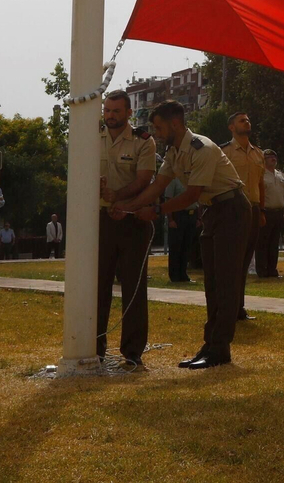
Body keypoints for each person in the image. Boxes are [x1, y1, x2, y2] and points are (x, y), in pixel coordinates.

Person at [114, 99, 247, 369]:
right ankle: (211, 346)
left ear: (175, 123)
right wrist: (126, 207)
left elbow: (191, 195)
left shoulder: (202, 148)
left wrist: (158, 210)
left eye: (160, 127)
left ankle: (220, 349)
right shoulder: (175, 153)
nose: (157, 133)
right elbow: (157, 185)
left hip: (232, 210)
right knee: (212, 283)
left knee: (226, 283)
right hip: (213, 212)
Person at [96, 90, 158, 366]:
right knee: (97, 287)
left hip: (132, 220)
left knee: (133, 287)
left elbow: (144, 179)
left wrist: (119, 198)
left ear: (129, 113)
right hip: (98, 220)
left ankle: (132, 352)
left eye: (116, 111)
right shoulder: (91, 136)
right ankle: (93, 347)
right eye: (107, 111)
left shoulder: (143, 142)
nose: (110, 116)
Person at [221, 112, 266, 317]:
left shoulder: (258, 153)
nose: (247, 122)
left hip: (254, 209)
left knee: (246, 260)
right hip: (234, 209)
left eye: (248, 119)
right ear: (231, 127)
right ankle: (228, 307)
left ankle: (239, 307)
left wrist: (262, 210)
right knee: (232, 261)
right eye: (242, 120)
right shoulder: (225, 152)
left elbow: (260, 184)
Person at [256, 149, 284, 278]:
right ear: (264, 160)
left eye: (274, 156)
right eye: (269, 157)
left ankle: (272, 269)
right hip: (266, 212)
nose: (273, 159)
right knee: (263, 243)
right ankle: (262, 270)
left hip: (278, 212)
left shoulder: (280, 175)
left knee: (274, 244)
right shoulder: (260, 174)